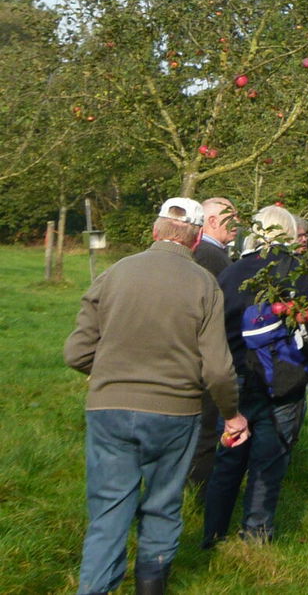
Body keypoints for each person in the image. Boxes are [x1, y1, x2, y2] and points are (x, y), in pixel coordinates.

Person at [64, 211, 248, 595]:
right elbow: (217, 369)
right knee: (163, 506)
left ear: (154, 231)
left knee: (109, 511)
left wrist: (115, 376)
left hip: (108, 408)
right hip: (175, 410)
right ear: (196, 239)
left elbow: (77, 353)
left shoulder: (113, 273)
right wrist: (232, 415)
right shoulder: (204, 283)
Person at [203, 206, 308, 546]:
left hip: (236, 377)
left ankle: (213, 534)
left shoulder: (230, 275)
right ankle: (256, 535)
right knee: (269, 460)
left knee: (228, 459)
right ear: (290, 235)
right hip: (284, 380)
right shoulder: (301, 274)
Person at [187, 196, 239, 488]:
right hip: (206, 355)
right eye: (230, 219)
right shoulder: (209, 255)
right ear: (212, 221)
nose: (237, 225)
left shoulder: (210, 252)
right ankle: (198, 487)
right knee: (205, 427)